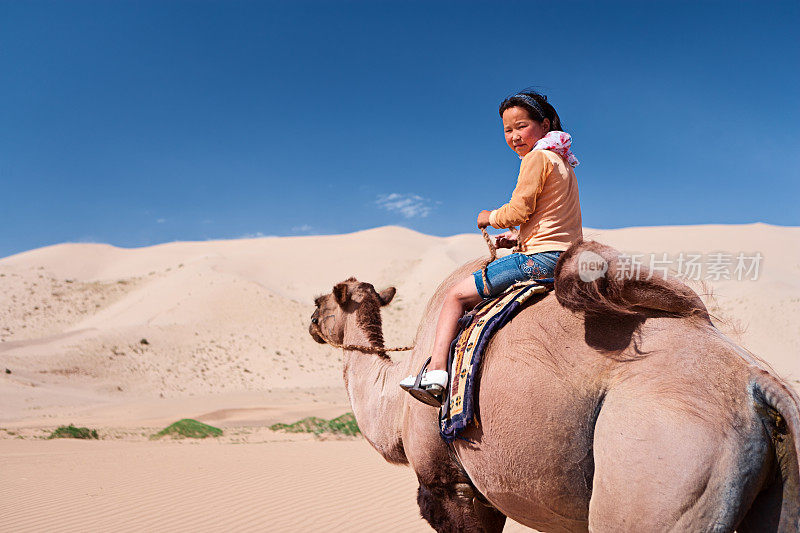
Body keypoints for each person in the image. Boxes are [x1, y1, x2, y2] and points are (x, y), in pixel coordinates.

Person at [399, 90, 583, 405]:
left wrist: (490, 217)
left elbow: (518, 211)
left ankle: (435, 373)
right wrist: (517, 238)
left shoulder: (537, 157)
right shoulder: (562, 160)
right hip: (566, 257)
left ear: (545, 123)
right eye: (507, 131)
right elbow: (553, 220)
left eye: (521, 126)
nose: (514, 137)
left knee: (455, 296)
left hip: (541, 262)